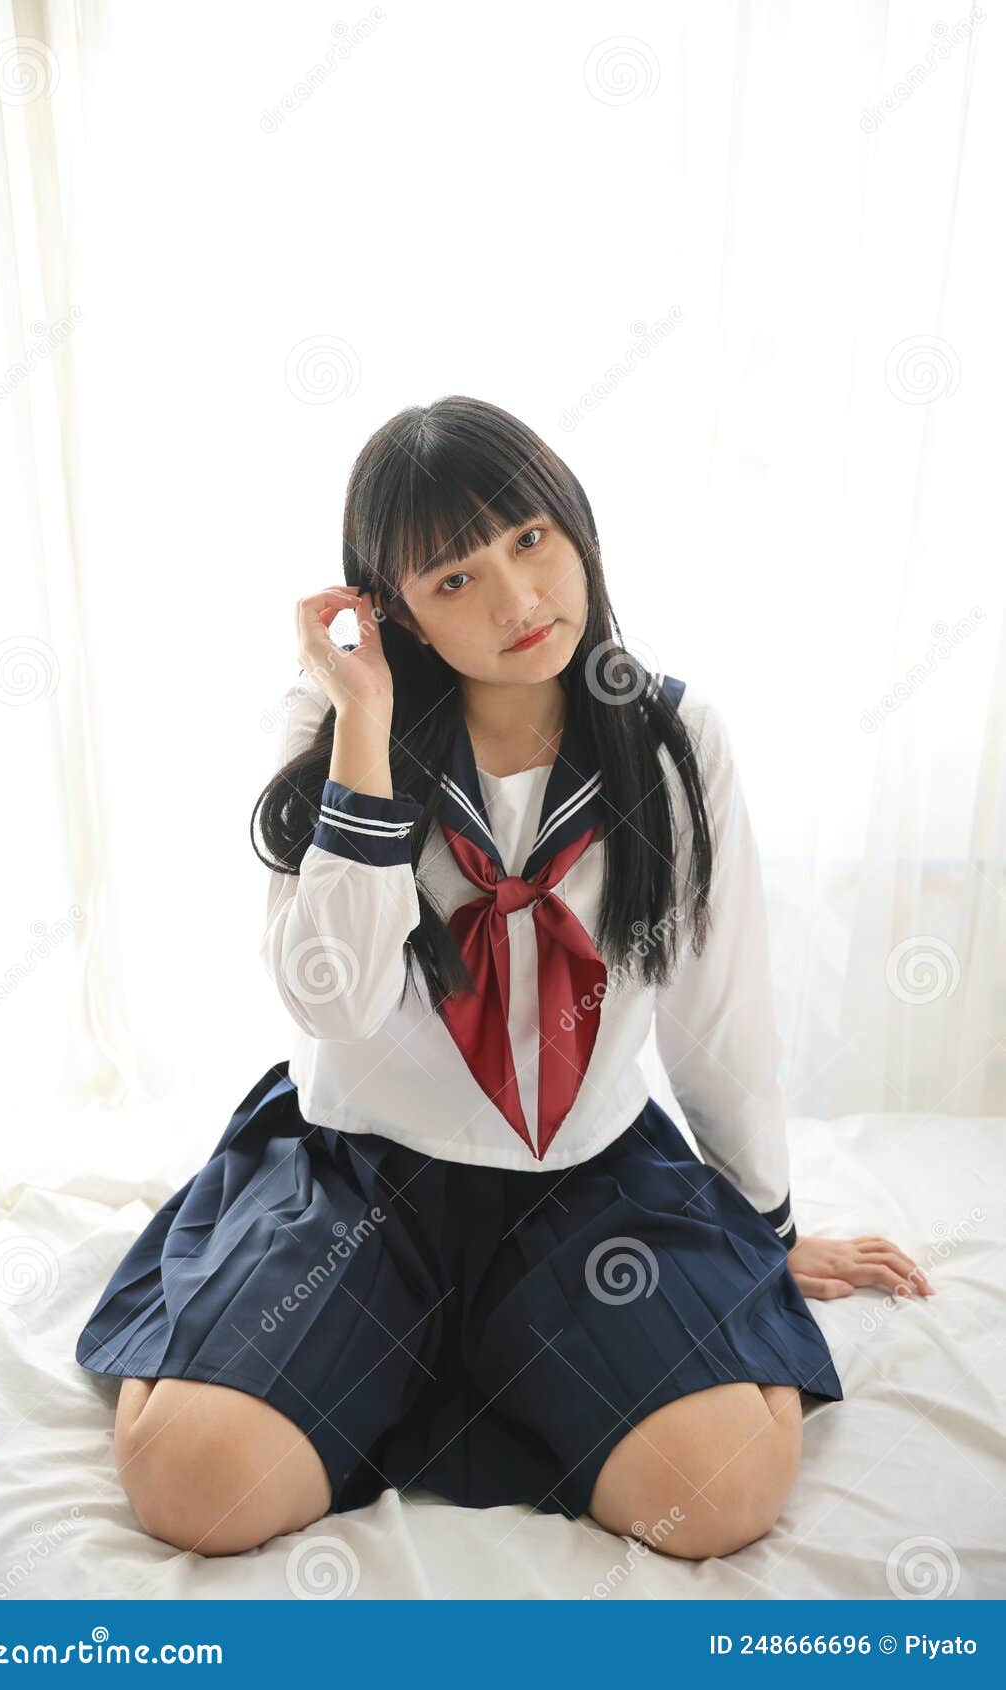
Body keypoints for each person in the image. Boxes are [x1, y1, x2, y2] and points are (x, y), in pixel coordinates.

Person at [75, 395, 933, 1563]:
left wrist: (761, 1230)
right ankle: (331, 1340)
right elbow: (332, 999)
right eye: (453, 578)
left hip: (586, 1186)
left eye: (528, 540)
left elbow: (716, 1014)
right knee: (191, 1489)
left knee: (722, 1497)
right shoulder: (332, 723)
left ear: (573, 527)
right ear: (398, 614)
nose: (517, 600)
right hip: (360, 1186)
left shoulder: (675, 740)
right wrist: (365, 732)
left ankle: (466, 1361)